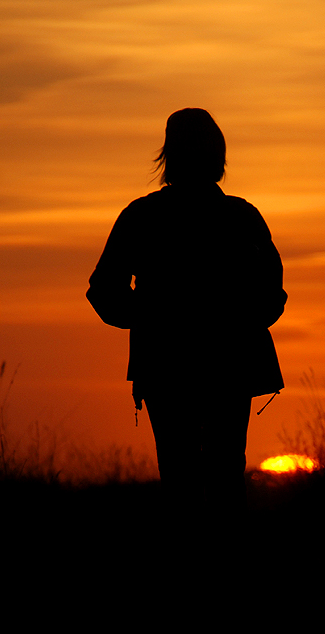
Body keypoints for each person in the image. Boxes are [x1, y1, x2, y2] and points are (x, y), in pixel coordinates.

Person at [86, 108, 286, 536]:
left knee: (181, 479)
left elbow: (104, 291)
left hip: (170, 368)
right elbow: (273, 295)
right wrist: (238, 324)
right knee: (225, 476)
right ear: (220, 155)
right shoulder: (242, 217)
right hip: (223, 368)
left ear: (167, 155)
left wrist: (149, 319)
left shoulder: (143, 216)